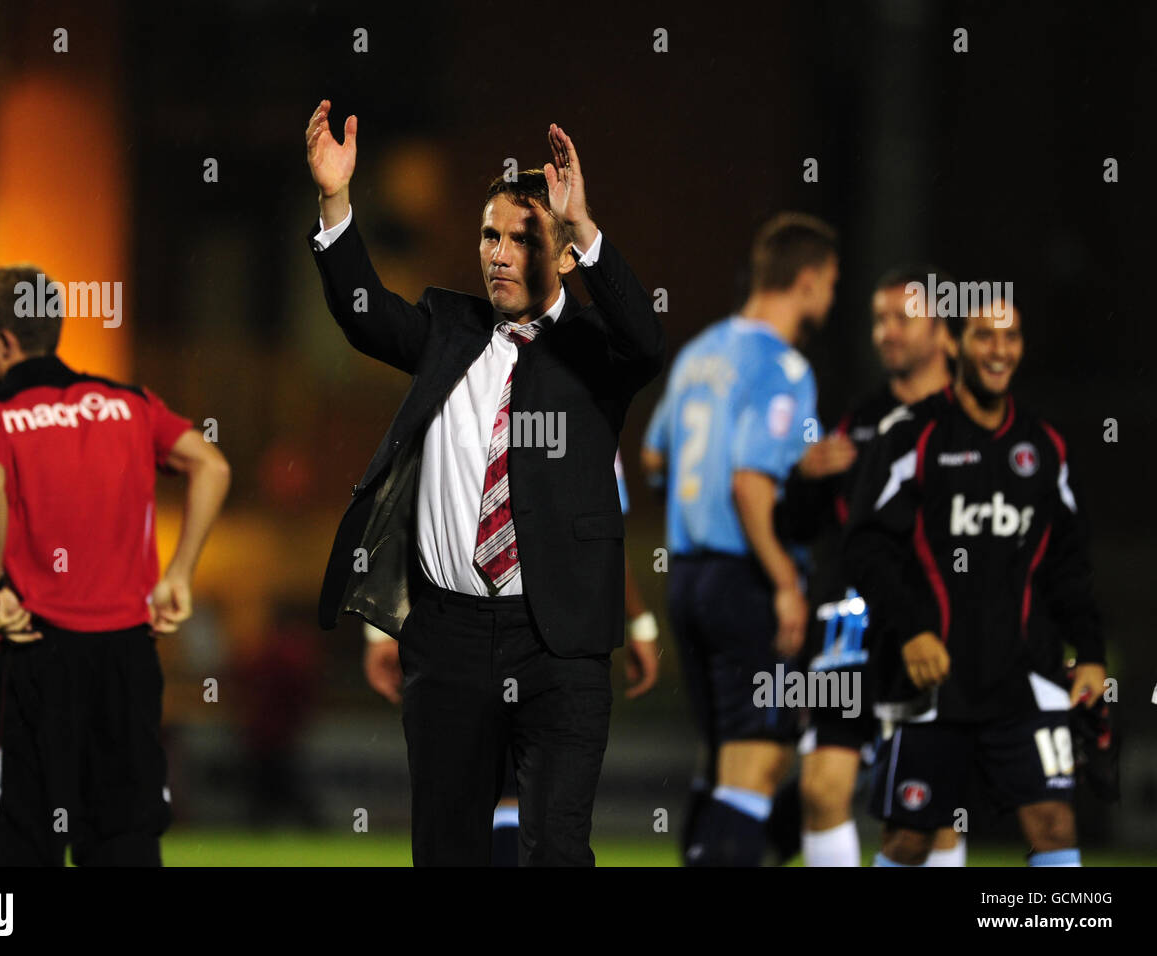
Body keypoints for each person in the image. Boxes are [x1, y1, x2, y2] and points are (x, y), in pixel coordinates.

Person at [306, 100, 664, 865]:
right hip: (449, 637)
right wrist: (336, 200)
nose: (498, 254)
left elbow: (647, 338)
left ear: (564, 254)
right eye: (489, 236)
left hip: (558, 640)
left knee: (557, 850)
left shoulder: (596, 353)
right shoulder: (448, 326)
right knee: (446, 850)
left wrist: (586, 225)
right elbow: (363, 313)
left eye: (522, 239)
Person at [0, 265, 231, 866]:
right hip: (127, 658)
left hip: (38, 653)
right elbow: (212, 466)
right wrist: (179, 573)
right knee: (125, 839)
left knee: (28, 842)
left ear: (3, 342)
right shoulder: (129, 402)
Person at [845, 295, 1105, 867]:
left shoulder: (1045, 446)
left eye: (1010, 338)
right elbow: (865, 548)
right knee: (910, 840)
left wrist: (1089, 651)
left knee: (1054, 825)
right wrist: (912, 630)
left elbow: (1069, 563)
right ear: (956, 344)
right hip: (934, 682)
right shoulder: (912, 435)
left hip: (1026, 676)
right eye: (985, 336)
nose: (1000, 350)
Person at [642, 213, 838, 866]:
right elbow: (751, 486)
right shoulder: (783, 366)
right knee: (758, 766)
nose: (830, 300)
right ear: (807, 281)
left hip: (690, 580)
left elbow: (654, 458)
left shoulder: (702, 351)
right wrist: (785, 581)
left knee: (725, 761)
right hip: (743, 577)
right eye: (830, 283)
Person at [362, 451, 660, 865]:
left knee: (547, 809)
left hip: (550, 628)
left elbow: (602, 525)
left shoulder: (579, 405)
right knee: (470, 806)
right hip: (460, 619)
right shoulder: (451, 392)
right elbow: (409, 499)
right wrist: (381, 623)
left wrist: (639, 621)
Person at [774, 266, 964, 866]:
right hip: (848, 629)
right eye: (879, 320)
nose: (886, 332)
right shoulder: (857, 421)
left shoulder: (968, 423)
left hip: (931, 627)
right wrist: (804, 480)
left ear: (944, 333)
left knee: (929, 814)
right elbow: (803, 526)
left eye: (902, 319)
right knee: (822, 788)